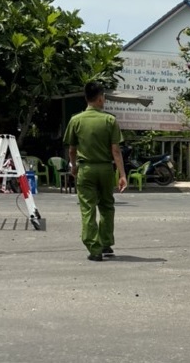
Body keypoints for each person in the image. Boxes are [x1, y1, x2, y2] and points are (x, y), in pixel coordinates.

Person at [63, 81, 127, 262]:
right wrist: (122, 174)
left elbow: (72, 149)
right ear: (100, 99)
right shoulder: (109, 120)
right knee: (107, 206)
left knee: (88, 208)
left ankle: (94, 248)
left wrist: (73, 166)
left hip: (86, 169)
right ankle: (106, 243)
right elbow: (116, 150)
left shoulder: (76, 120)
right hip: (106, 169)